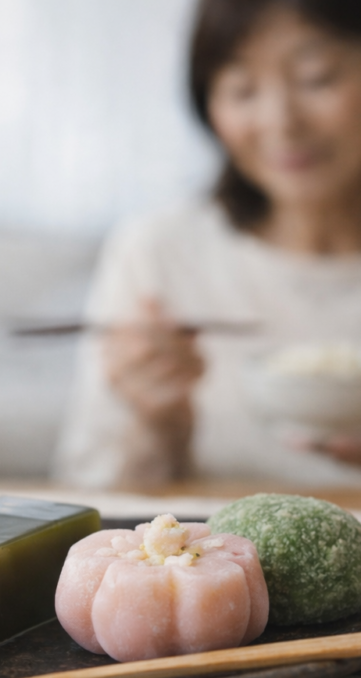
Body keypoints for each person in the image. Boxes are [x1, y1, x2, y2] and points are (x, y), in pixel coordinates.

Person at [54, 0, 361, 489]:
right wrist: (160, 429)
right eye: (242, 90)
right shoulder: (159, 249)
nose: (281, 121)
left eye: (316, 78)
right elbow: (89, 493)